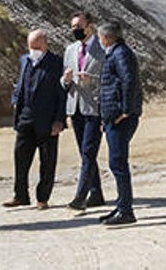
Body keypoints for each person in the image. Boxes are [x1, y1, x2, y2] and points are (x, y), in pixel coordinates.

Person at [4, 29, 66, 210]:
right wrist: (15, 100)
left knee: (47, 160)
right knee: (20, 157)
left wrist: (59, 120)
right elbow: (21, 83)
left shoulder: (56, 63)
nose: (33, 50)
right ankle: (20, 195)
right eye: (31, 46)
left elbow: (61, 94)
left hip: (47, 121)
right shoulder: (25, 60)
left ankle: (43, 198)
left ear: (45, 44)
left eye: (37, 46)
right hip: (25, 117)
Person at [96, 20, 142, 226]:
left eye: (99, 37)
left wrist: (125, 110)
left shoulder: (120, 53)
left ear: (106, 38)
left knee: (118, 163)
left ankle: (126, 211)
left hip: (120, 117)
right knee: (116, 162)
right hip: (113, 116)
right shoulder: (114, 53)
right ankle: (121, 205)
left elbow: (128, 81)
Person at [61, 11, 106, 211]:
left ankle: (80, 197)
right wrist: (66, 80)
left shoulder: (102, 48)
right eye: (73, 27)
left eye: (79, 26)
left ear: (90, 26)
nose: (75, 30)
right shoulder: (70, 50)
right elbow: (63, 82)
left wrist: (92, 80)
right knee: (85, 153)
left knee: (88, 152)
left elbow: (109, 79)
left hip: (94, 108)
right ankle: (96, 193)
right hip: (75, 108)